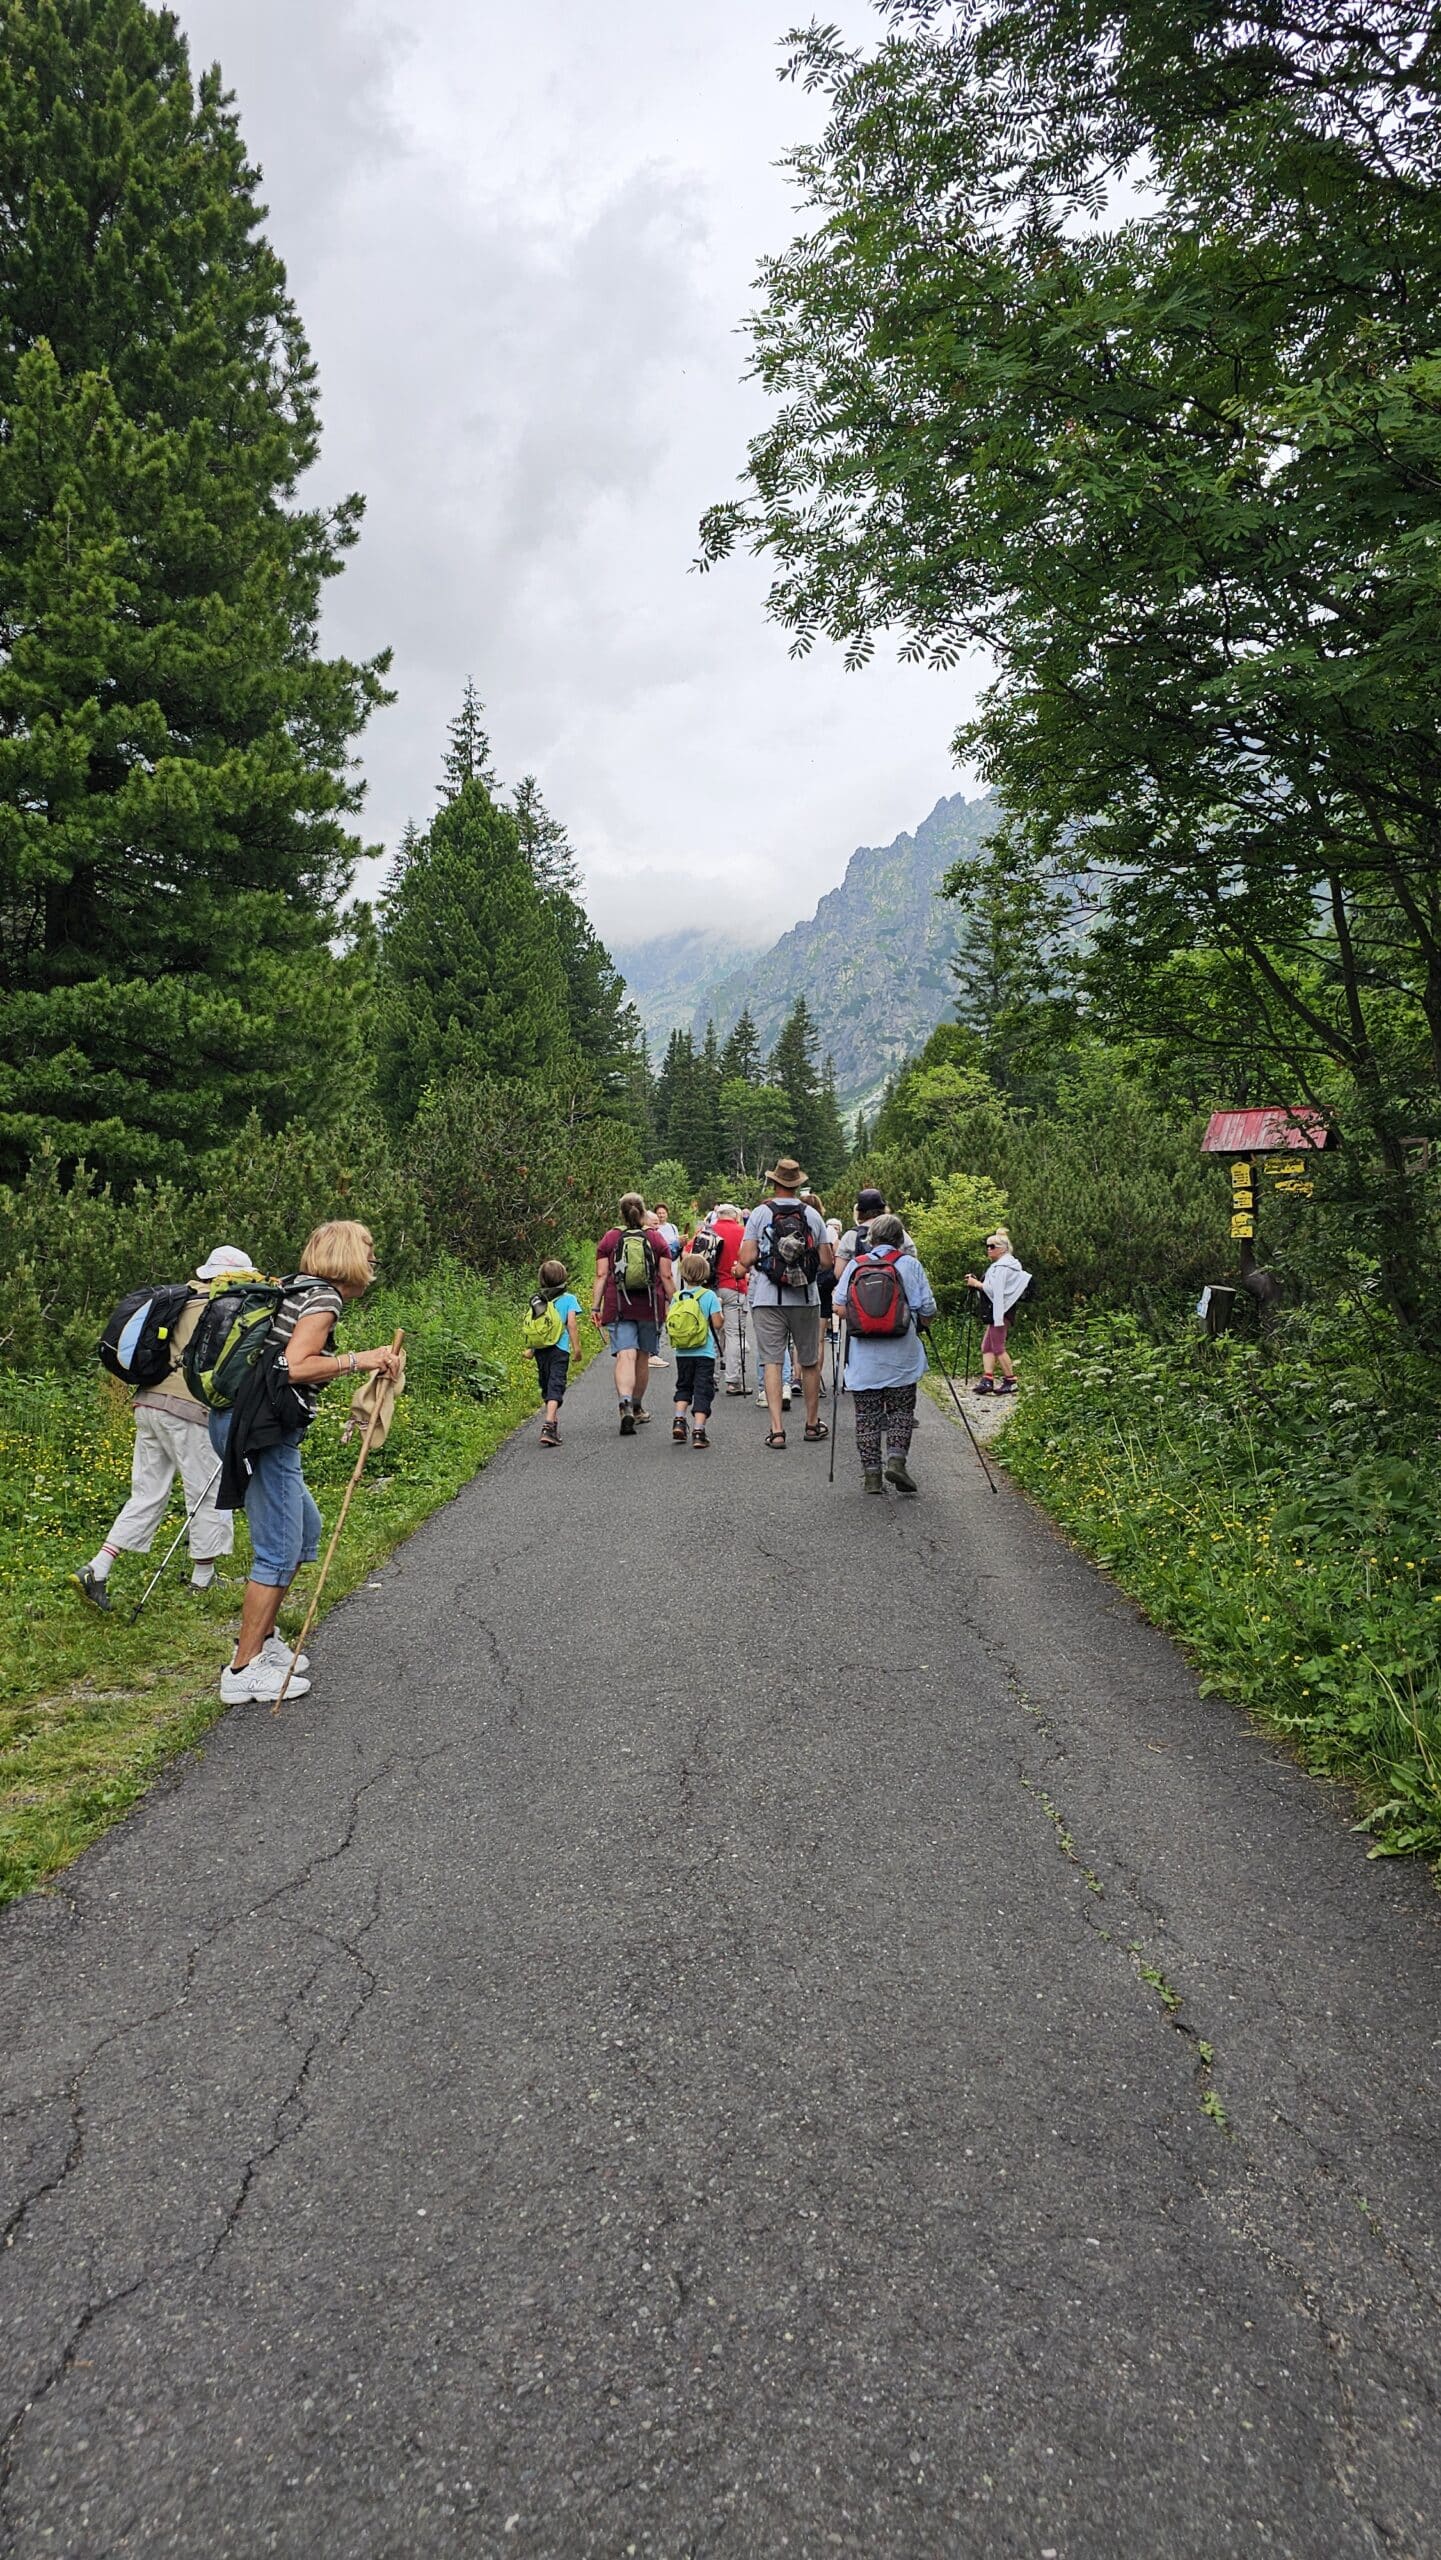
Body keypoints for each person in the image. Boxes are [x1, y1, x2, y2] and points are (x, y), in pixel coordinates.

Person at [208, 1221, 402, 1704]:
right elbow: (293, 1366)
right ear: (348, 1257)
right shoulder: (323, 1299)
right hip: (262, 1430)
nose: (372, 1262)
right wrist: (360, 1360)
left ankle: (265, 1640)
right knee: (279, 1548)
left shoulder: (296, 1287)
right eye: (369, 1252)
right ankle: (243, 1668)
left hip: (244, 1421)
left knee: (304, 1531)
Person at [70, 1244, 257, 1611]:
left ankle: (98, 1568)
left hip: (149, 1403)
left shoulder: (182, 1299)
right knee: (207, 1492)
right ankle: (203, 1580)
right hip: (187, 1410)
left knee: (147, 1493)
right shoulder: (223, 1307)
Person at [834, 1213, 937, 1495]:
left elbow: (839, 1307)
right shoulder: (910, 1264)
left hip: (864, 1358)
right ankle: (896, 1461)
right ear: (900, 1239)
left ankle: (872, 1477)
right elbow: (928, 1308)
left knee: (866, 1416)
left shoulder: (856, 1265)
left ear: (871, 1239)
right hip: (902, 1354)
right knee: (901, 1410)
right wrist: (919, 1322)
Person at [735, 1158, 833, 1448]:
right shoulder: (812, 1215)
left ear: (774, 1182)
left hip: (767, 1298)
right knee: (809, 1362)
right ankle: (812, 1424)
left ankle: (777, 1430)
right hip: (805, 1298)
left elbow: (746, 1257)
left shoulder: (760, 1213)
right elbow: (827, 1261)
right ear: (797, 1184)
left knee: (772, 1362)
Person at [593, 1194, 675, 1435]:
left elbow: (601, 1275)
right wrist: (678, 1302)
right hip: (650, 1306)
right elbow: (666, 1275)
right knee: (642, 1357)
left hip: (618, 1305)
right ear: (643, 1212)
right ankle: (637, 1408)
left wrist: (595, 1307)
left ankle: (625, 1403)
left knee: (625, 1355)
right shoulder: (655, 1238)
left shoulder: (610, 1238)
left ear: (621, 1213)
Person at [667, 1251, 725, 1449]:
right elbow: (717, 1324)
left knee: (683, 1386)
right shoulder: (709, 1296)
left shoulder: (677, 1297)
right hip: (704, 1353)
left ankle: (679, 1420)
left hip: (682, 1352)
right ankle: (699, 1431)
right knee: (702, 1390)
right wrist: (720, 1309)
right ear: (705, 1274)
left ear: (683, 1274)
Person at [965, 1228, 1031, 1394]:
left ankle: (1011, 1380)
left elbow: (995, 1290)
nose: (989, 1249)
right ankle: (987, 1378)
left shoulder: (1003, 1267)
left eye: (992, 1246)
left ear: (1003, 1249)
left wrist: (976, 1284)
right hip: (1001, 1309)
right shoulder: (1005, 1265)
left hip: (1001, 1310)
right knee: (987, 1345)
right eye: (987, 1246)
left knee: (998, 1347)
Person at [529, 1257, 582, 1447]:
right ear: (564, 1277)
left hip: (541, 1350)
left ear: (542, 1279)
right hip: (560, 1350)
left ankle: (553, 1422)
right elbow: (572, 1325)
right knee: (556, 1386)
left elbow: (537, 1328)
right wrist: (577, 1348)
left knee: (547, 1386)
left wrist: (531, 1349)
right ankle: (549, 1426)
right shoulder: (569, 1299)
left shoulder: (538, 1301)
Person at [834, 1187, 915, 1278]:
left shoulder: (850, 1236)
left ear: (859, 1212)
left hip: (861, 1285)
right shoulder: (897, 1231)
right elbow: (912, 1260)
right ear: (884, 1208)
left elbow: (839, 1273)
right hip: (895, 1284)